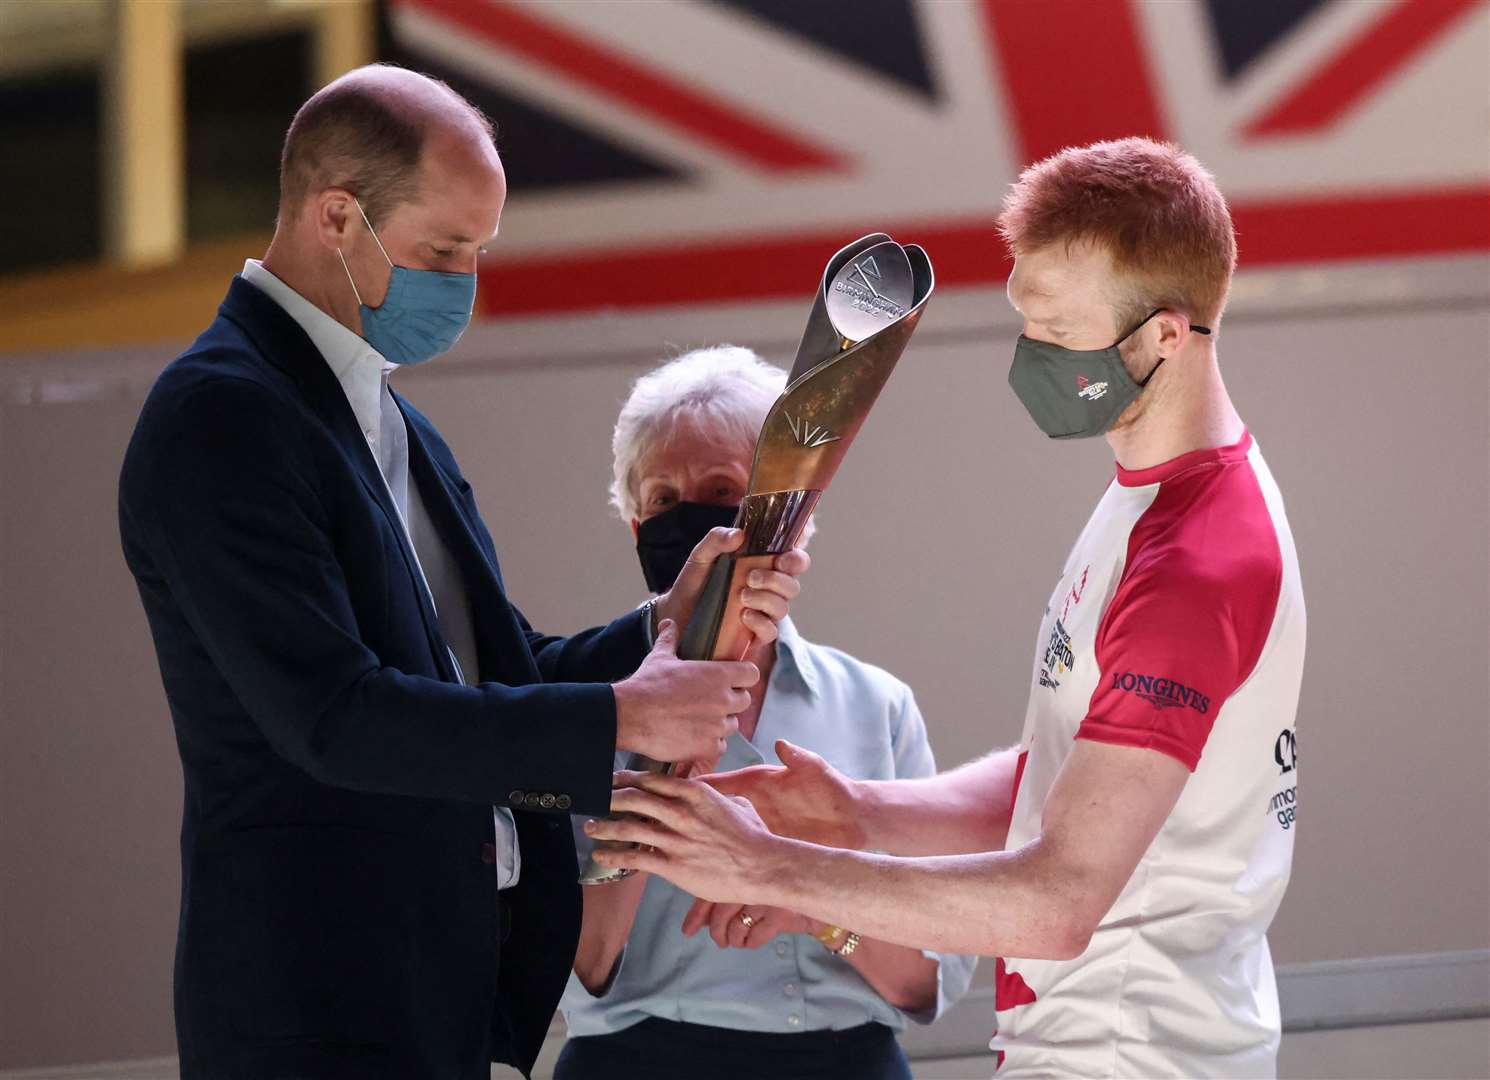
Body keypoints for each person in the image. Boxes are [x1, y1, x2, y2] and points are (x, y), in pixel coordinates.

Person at [117, 65, 806, 1080]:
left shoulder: (393, 423)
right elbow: (333, 717)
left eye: (480, 251)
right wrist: (624, 715)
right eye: (444, 251)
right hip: (319, 1005)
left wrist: (662, 623)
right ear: (336, 217)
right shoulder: (220, 418)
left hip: (438, 995)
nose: (466, 283)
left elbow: (496, 666)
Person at [586, 138, 1307, 1078]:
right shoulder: (1141, 503)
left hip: (1133, 1051)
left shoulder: (1196, 562)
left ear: (1165, 335)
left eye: (1057, 330)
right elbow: (1067, 777)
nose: (1030, 354)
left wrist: (769, 868)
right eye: (1024, 318)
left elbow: (1059, 899)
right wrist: (855, 811)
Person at [555, 347, 977, 1080]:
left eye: (722, 490)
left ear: (793, 515)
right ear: (633, 528)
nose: (692, 522)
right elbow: (580, 967)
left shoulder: (875, 706)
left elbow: (927, 980)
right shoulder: (576, 711)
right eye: (661, 500)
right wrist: (661, 758)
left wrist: (812, 899)